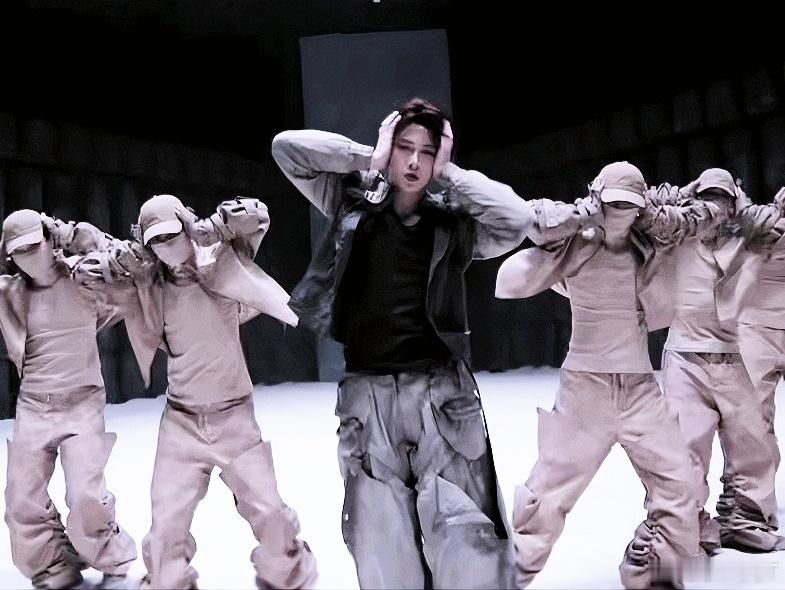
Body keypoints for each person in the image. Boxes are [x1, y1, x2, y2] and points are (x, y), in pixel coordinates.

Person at [272, 97, 600, 589]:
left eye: (427, 152)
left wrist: (450, 175)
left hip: (441, 396)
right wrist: (370, 156)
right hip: (367, 397)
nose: (414, 161)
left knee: (468, 547)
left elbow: (516, 219)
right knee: (382, 552)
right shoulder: (351, 203)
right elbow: (288, 149)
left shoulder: (454, 222)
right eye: (405, 148)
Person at [1, 209, 136, 589]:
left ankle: (113, 559)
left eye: (33, 246)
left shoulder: (84, 276)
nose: (28, 257)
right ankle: (52, 567)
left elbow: (129, 263)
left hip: (82, 403)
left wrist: (75, 234)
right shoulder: (10, 291)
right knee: (22, 498)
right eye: (18, 251)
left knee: (85, 495)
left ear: (49, 240)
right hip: (33, 405)